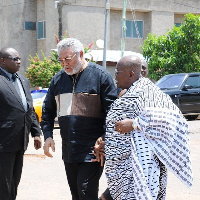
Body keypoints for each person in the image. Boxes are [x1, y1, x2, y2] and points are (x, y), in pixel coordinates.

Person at [99, 55, 193, 199]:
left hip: (138, 167)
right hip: (121, 166)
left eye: (118, 72)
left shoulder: (148, 92)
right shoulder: (129, 92)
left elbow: (170, 119)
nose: (115, 76)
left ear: (131, 73)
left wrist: (135, 123)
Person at [41, 38, 118, 200]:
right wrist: (47, 135)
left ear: (81, 54)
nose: (64, 64)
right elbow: (47, 111)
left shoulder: (101, 76)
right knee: (76, 194)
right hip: (70, 150)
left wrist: (105, 138)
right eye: (61, 60)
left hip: (93, 149)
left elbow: (113, 114)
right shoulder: (58, 80)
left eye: (68, 59)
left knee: (85, 191)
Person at [0, 47, 42, 200]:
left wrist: (36, 132)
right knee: (3, 185)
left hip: (20, 141)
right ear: (2, 61)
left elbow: (28, 109)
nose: (19, 62)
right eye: (14, 59)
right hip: (3, 143)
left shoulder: (23, 81)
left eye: (19, 58)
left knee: (13, 182)